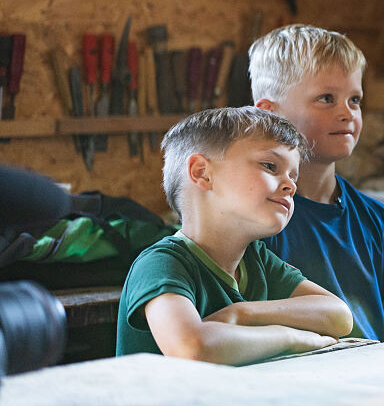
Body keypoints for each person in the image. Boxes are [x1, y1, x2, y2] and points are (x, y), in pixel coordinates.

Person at [117, 107, 354, 364]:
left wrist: (242, 314)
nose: (291, 185)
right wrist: (290, 337)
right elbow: (192, 347)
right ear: (201, 173)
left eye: (293, 175)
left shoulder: (256, 260)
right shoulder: (161, 264)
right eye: (270, 166)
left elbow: (339, 316)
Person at [252, 24, 384, 343]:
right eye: (327, 98)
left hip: (377, 387)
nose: (347, 113)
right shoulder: (257, 224)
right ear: (270, 113)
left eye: (355, 100)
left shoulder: (380, 222)